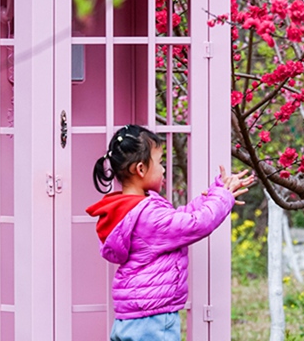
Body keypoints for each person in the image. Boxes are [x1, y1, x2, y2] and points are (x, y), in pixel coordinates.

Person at [86, 124, 253, 341]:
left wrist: (215, 193)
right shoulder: (148, 215)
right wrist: (222, 197)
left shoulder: (129, 209)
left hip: (130, 319)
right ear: (140, 169)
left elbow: (180, 218)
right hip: (152, 318)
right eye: (160, 162)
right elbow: (197, 224)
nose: (164, 169)